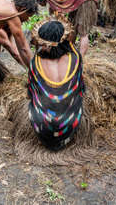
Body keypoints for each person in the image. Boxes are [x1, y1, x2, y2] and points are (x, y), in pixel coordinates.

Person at [28, 18, 85, 150]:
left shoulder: (36, 63)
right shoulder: (75, 59)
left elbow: (30, 93)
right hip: (70, 124)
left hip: (41, 126)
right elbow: (81, 90)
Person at [29, 0, 98, 57]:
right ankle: (69, 51)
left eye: (38, 1)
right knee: (72, 27)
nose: (39, 4)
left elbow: (59, 22)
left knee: (83, 33)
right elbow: (52, 17)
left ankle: (80, 60)